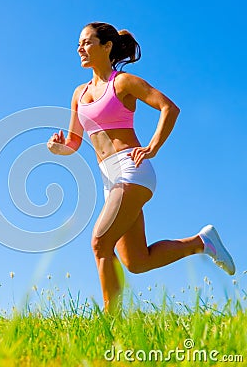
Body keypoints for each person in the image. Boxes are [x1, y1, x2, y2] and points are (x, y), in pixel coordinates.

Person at [47, 22, 235, 313]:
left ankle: (111, 323)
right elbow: (73, 142)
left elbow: (168, 107)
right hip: (110, 181)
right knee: (137, 261)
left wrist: (153, 147)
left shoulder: (121, 83)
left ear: (106, 47)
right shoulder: (79, 93)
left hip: (131, 171)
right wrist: (58, 146)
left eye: (87, 42)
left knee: (99, 243)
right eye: (79, 44)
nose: (80, 49)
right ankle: (202, 242)